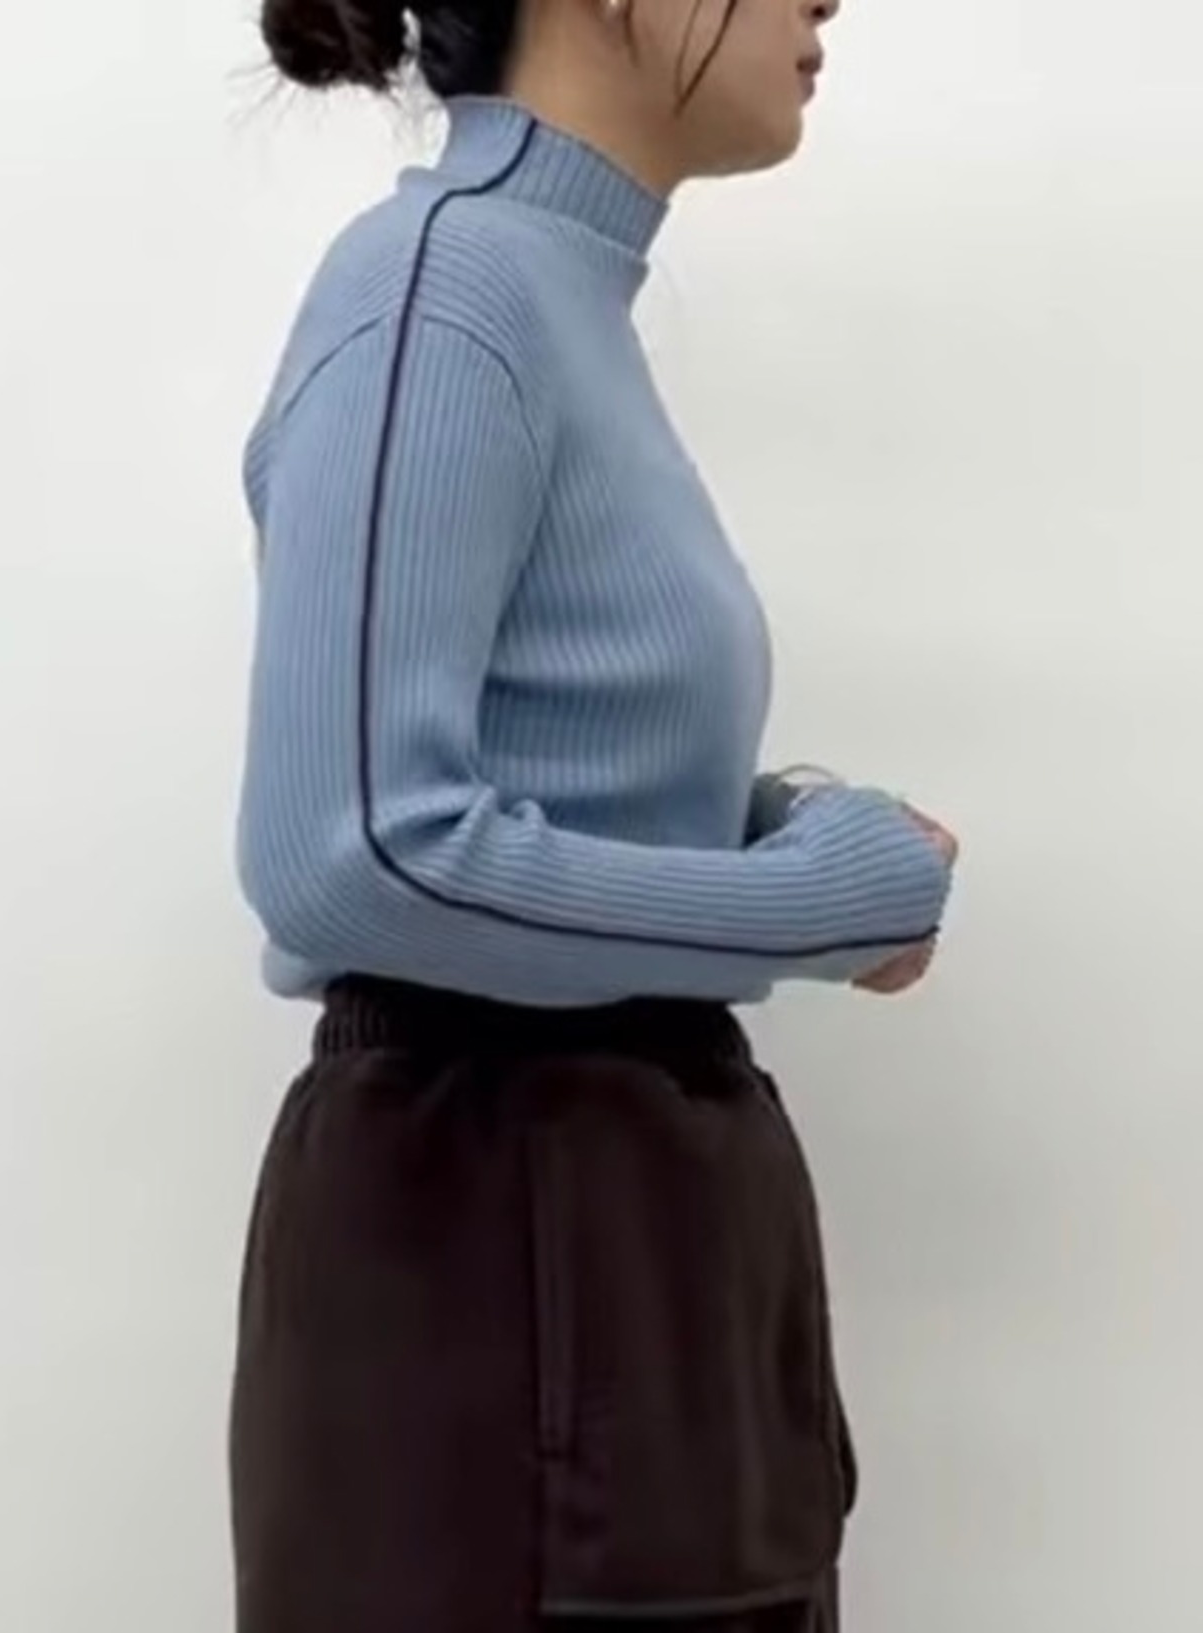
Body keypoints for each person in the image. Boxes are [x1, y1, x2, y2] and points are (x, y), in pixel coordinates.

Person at [229, 0, 960, 1628]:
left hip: (611, 1244)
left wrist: (788, 823)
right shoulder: (443, 288)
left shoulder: (555, 297)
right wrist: (820, 904)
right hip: (499, 1235)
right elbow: (353, 851)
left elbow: (547, 766)